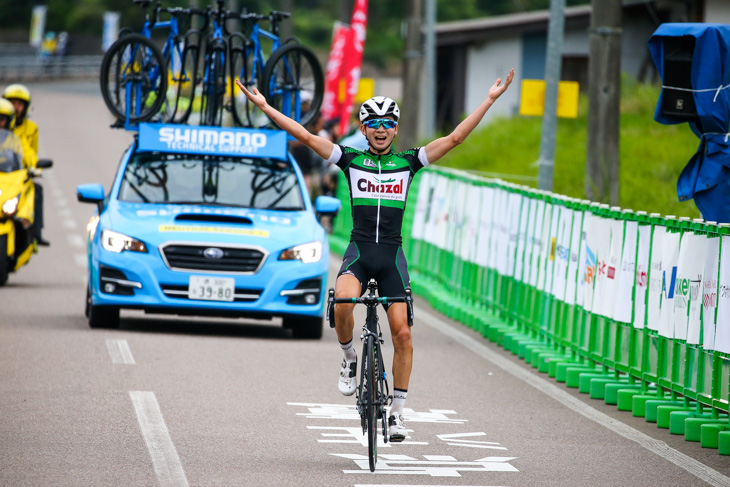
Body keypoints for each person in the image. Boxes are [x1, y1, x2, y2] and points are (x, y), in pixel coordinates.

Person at [235, 68, 514, 442]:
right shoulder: (349, 159)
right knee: (343, 303)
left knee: (403, 333)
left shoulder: (409, 162)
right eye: (372, 123)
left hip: (391, 258)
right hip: (359, 251)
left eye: (388, 123)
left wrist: (490, 99)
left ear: (395, 129)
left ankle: (397, 414)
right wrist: (266, 107)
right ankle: (350, 359)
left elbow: (456, 137)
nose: (380, 128)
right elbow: (303, 135)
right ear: (363, 130)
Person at [3, 84, 48, 246]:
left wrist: (34, 167)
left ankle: (35, 233)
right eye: (12, 103)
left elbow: (31, 152)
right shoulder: (4, 129)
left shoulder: (31, 129)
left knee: (36, 190)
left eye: (19, 104)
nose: (16, 108)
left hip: (18, 174)